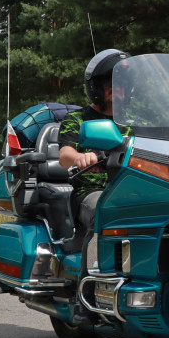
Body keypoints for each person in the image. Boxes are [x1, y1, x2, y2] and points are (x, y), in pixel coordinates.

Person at [58, 49, 129, 248]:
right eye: (111, 84)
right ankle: (90, 275)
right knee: (105, 211)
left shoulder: (135, 123)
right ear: (95, 87)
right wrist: (80, 157)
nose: (118, 89)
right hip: (91, 191)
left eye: (123, 84)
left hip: (131, 190)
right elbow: (65, 155)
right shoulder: (78, 119)